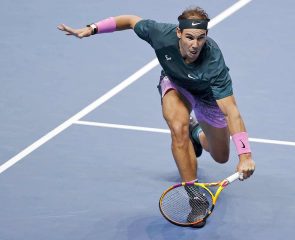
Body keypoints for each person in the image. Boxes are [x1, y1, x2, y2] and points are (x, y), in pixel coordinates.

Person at [58, 6, 255, 227]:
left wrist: (244, 155)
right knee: (177, 128)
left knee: (220, 156)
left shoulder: (213, 62)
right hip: (177, 85)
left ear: (206, 36)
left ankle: (196, 132)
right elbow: (131, 20)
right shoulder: (160, 34)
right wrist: (92, 29)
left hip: (209, 98)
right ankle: (195, 197)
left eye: (200, 38)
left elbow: (232, 111)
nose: (195, 44)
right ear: (179, 33)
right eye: (189, 37)